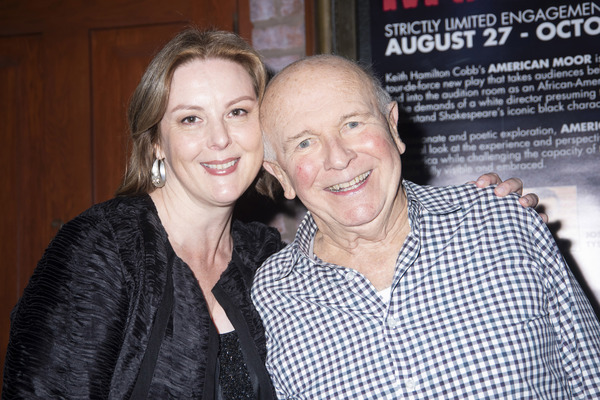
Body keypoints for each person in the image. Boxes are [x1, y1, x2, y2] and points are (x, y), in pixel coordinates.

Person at [1, 27, 537, 398]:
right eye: (189, 119)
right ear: (156, 143)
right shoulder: (102, 247)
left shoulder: (266, 258)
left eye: (238, 112)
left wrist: (481, 210)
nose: (219, 139)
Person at [252, 54, 600, 399]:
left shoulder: (504, 223)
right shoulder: (269, 296)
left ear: (392, 126)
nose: (339, 157)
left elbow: (592, 379)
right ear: (281, 174)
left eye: (353, 124)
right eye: (304, 143)